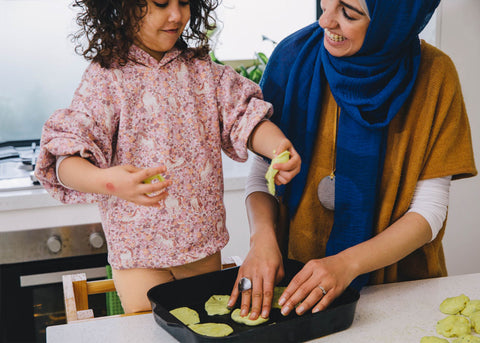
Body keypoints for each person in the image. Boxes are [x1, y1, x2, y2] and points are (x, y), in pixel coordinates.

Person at [34, 0, 301, 314]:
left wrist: (278, 147)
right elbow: (65, 160)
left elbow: (248, 120)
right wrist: (107, 181)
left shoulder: (205, 73)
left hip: (201, 251)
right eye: (161, 4)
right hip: (137, 258)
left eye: (184, 2)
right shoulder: (106, 79)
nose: (177, 15)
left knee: (205, 327)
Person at [228, 0, 477, 321]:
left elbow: (429, 211)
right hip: (299, 282)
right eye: (325, 3)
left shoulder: (435, 75)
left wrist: (345, 264)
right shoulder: (291, 58)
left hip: (397, 288)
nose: (325, 21)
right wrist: (262, 238)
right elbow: (264, 171)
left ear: (393, 18)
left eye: (349, 12)